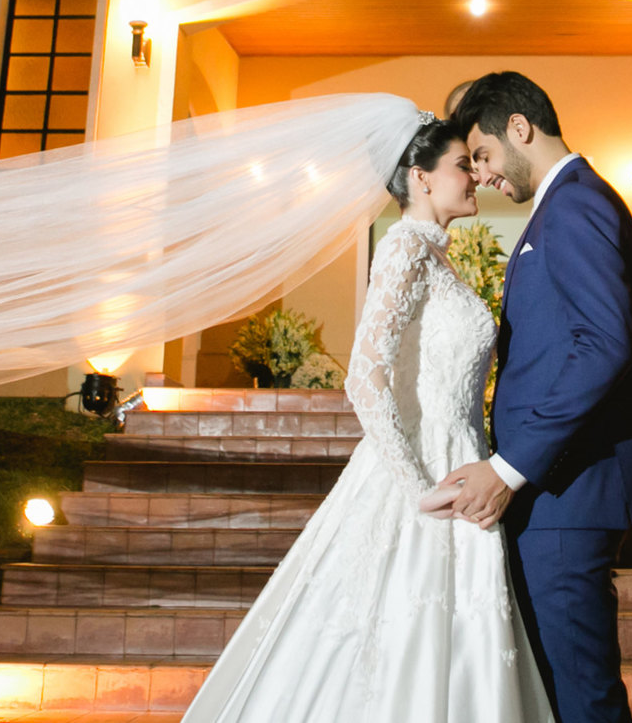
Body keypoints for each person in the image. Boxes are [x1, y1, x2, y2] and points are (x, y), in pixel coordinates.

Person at [180, 115, 555, 723]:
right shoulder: (406, 246)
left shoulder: (436, 257)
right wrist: (416, 489)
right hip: (425, 470)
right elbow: (364, 374)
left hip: (462, 457)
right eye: (463, 165)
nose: (476, 176)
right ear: (421, 178)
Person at [439, 72, 632, 723]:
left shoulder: (575, 203)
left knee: (582, 692)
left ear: (520, 127)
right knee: (561, 684)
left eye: (481, 154)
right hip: (561, 490)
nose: (480, 173)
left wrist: (510, 467)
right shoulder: (563, 203)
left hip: (570, 491)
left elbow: (603, 345)